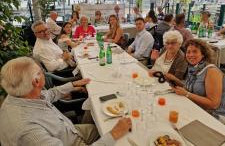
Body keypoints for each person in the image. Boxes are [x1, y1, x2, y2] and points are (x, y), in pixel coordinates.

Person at [0, 57, 132, 146]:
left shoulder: (20, 94)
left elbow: (50, 94)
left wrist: (74, 84)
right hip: (69, 142)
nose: (44, 73)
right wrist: (113, 134)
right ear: (36, 81)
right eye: (41, 72)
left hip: (69, 131)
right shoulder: (27, 131)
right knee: (121, 137)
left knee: (103, 124)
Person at [166, 39, 225, 125]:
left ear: (203, 54)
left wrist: (186, 94)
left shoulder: (211, 71)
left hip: (216, 115)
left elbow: (213, 104)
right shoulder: (193, 67)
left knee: (177, 122)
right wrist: (175, 80)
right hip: (198, 107)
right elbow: (192, 88)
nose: (190, 55)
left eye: (195, 51)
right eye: (188, 52)